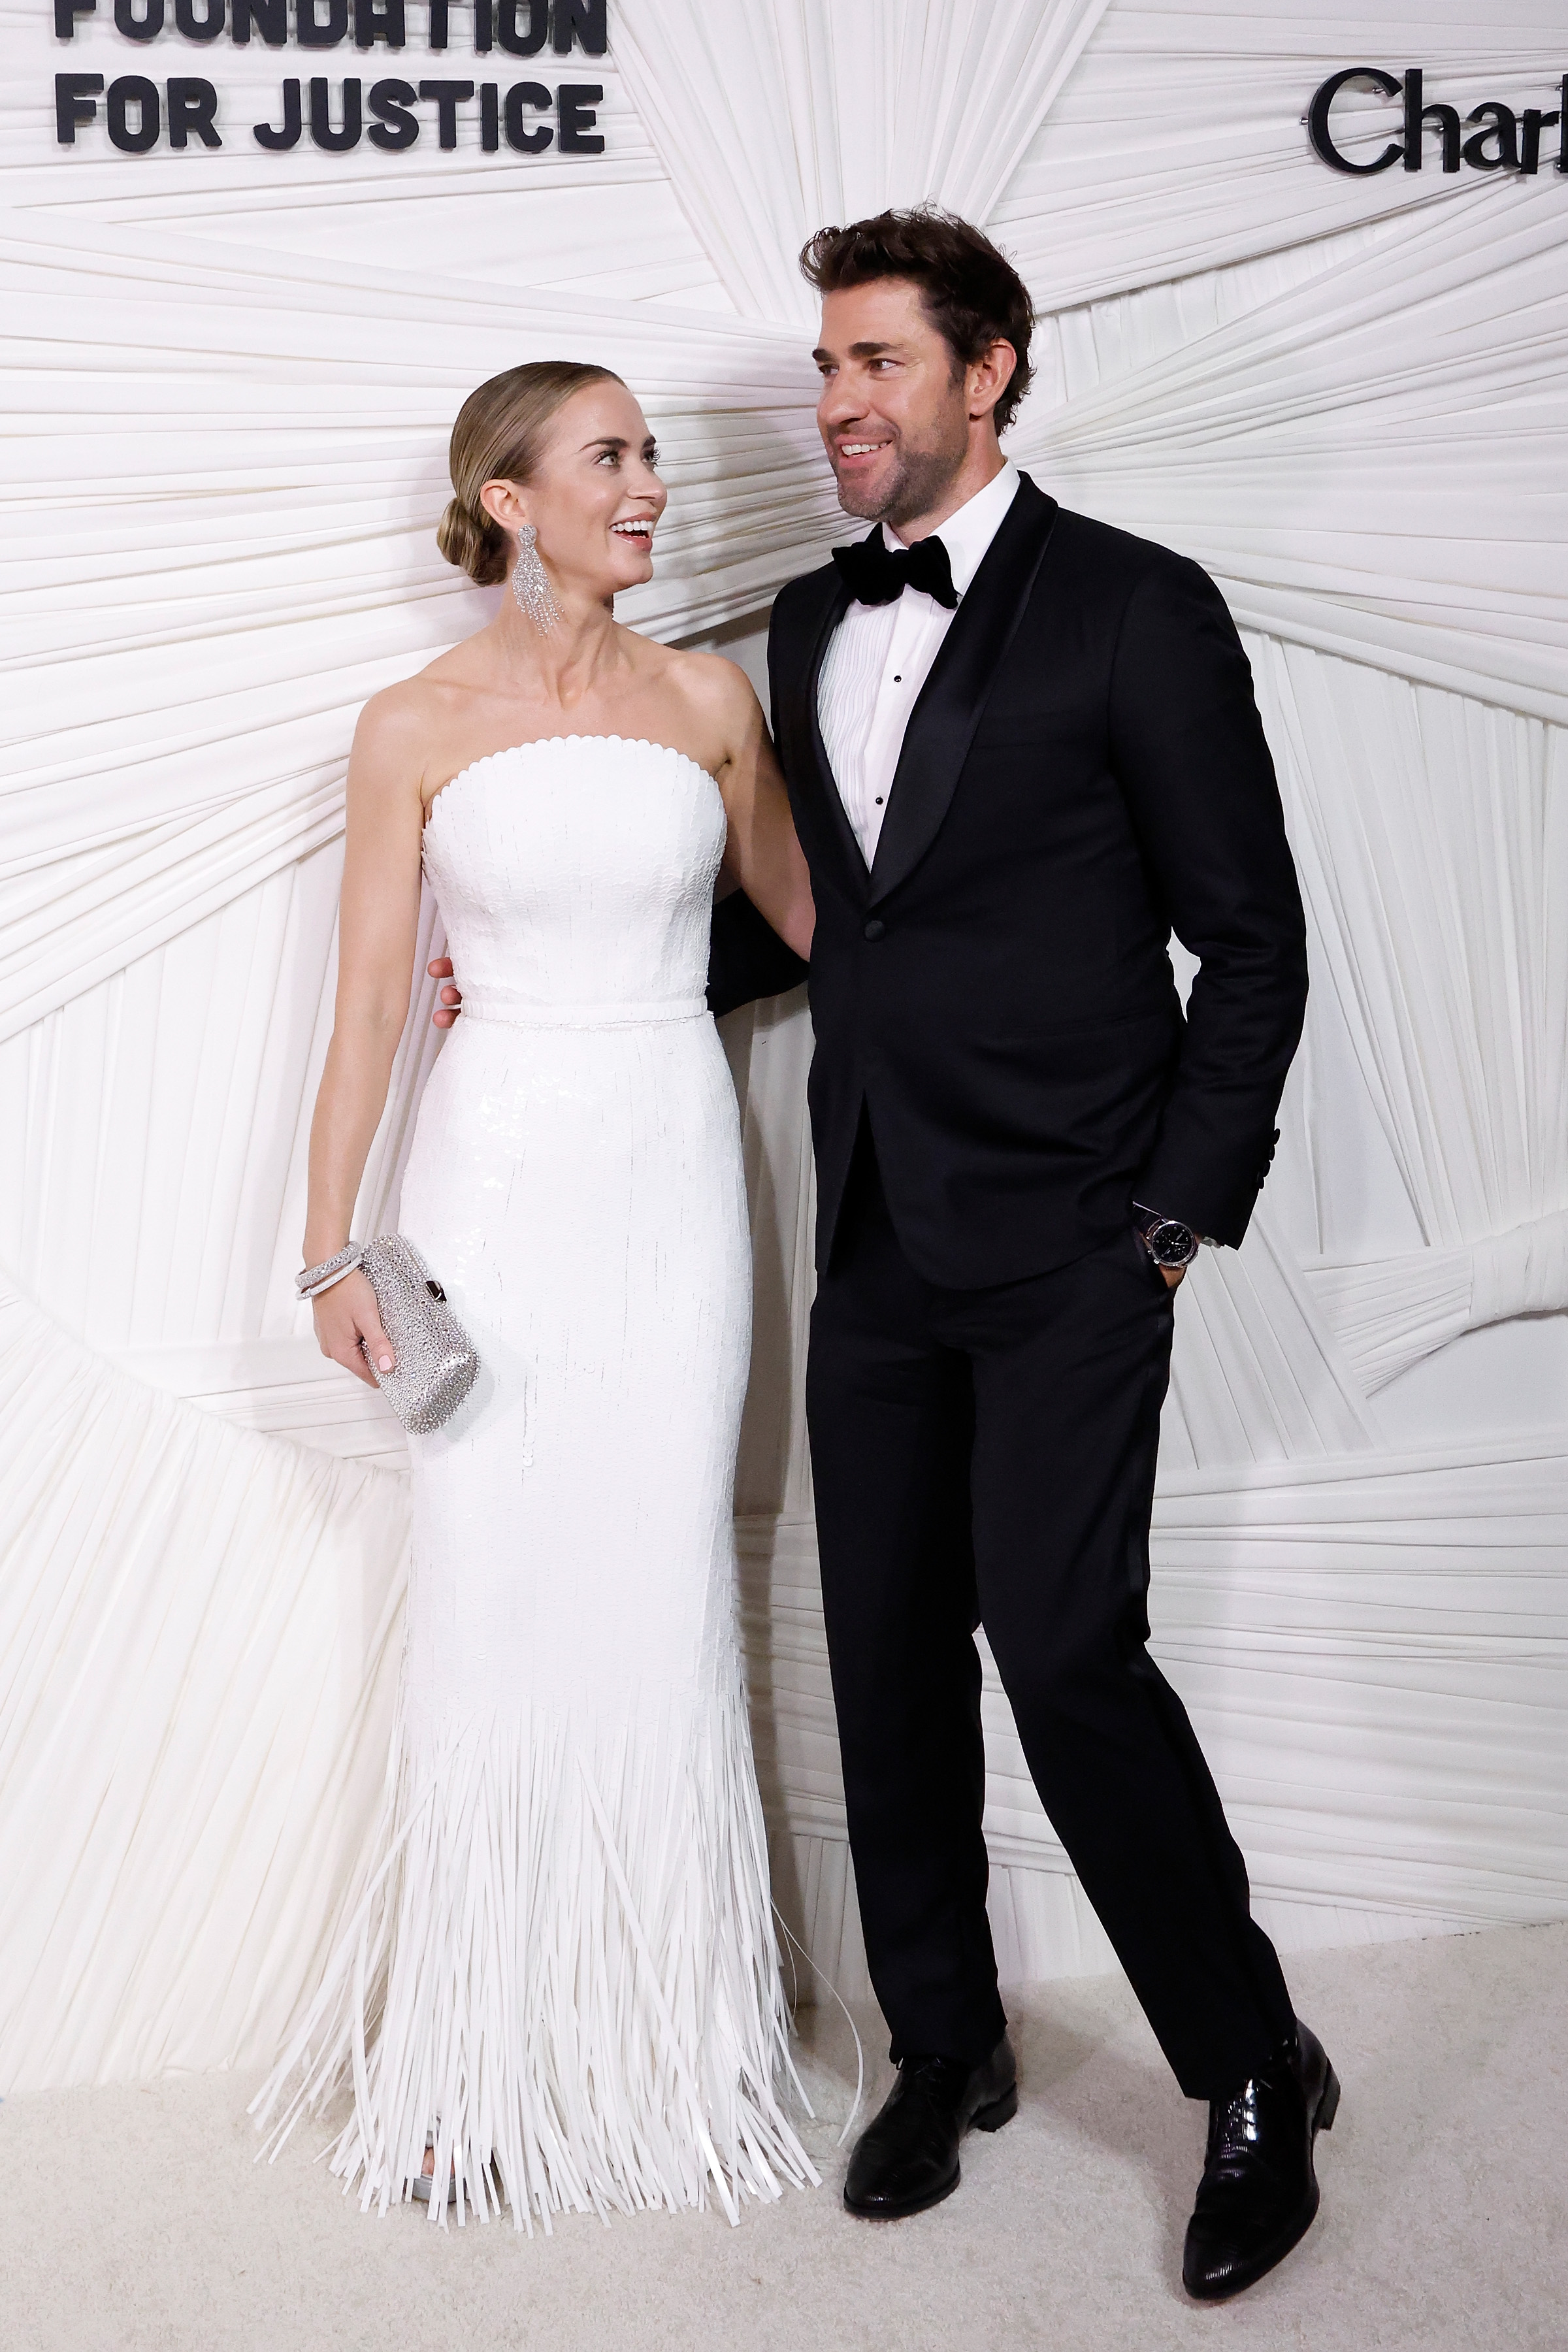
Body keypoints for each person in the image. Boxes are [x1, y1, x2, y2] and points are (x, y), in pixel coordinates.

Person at [429, 213, 1339, 2302]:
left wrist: (1178, 1219)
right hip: (870, 1234)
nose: (835, 407)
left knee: (1068, 1650)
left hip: (1083, 1240)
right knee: (892, 1651)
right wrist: (580, 967)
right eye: (825, 372)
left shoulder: (1137, 610)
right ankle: (946, 2043)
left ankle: (1253, 2066)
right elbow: (837, 913)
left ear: (988, 373)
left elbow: (1257, 945)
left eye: (874, 368)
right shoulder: (806, 622)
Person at [252, 359, 819, 2229]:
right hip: (489, 1181)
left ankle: (674, 2047)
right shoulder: (410, 721)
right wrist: (333, 1245)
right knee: (492, 1594)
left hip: (672, 1171)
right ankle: (466, 2063)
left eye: (653, 455)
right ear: (511, 496)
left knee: (657, 1582)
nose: (652, 484)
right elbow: (357, 1012)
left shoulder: (711, 701)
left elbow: (828, 932)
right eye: (613, 457)